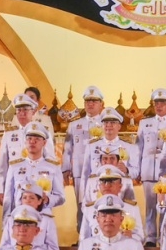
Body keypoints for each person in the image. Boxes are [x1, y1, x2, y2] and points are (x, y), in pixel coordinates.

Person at [139, 89, 166, 247]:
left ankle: (164, 235)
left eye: (163, 103)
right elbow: (138, 148)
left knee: (165, 205)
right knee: (150, 206)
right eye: (156, 103)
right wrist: (136, 170)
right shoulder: (145, 123)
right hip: (149, 170)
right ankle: (150, 236)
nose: (159, 106)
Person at [63, 86, 107, 227]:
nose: (90, 103)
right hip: (79, 170)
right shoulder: (74, 125)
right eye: (88, 100)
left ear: (101, 104)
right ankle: (81, 235)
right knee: (81, 203)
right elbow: (67, 149)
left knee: (100, 202)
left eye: (94, 100)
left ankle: (99, 232)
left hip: (100, 171)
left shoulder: (107, 124)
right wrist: (65, 168)